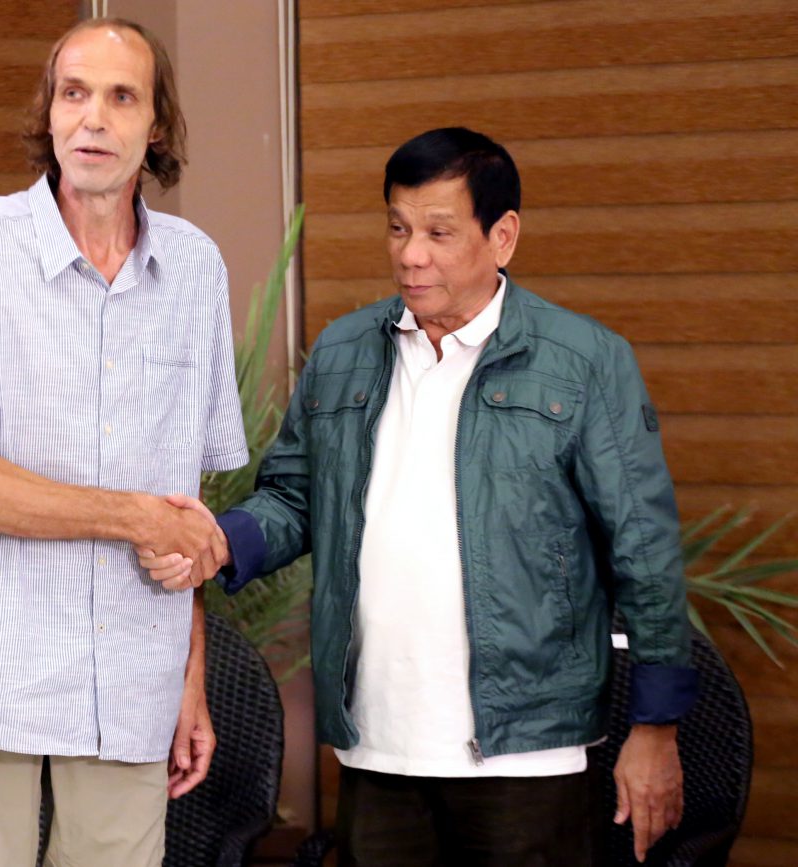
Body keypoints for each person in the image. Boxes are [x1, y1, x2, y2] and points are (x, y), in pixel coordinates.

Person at [138, 127, 699, 866]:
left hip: (524, 755)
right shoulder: (343, 353)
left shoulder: (583, 363)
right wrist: (218, 540)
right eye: (398, 228)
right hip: (378, 743)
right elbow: (294, 497)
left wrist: (656, 728)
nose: (410, 254)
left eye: (438, 232)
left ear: (503, 236)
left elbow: (645, 550)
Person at [0, 17, 247, 867]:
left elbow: (183, 509)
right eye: (74, 93)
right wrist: (135, 518)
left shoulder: (194, 268)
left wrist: (189, 678)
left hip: (131, 687)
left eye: (123, 97)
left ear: (156, 125)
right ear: (48, 113)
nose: (93, 118)